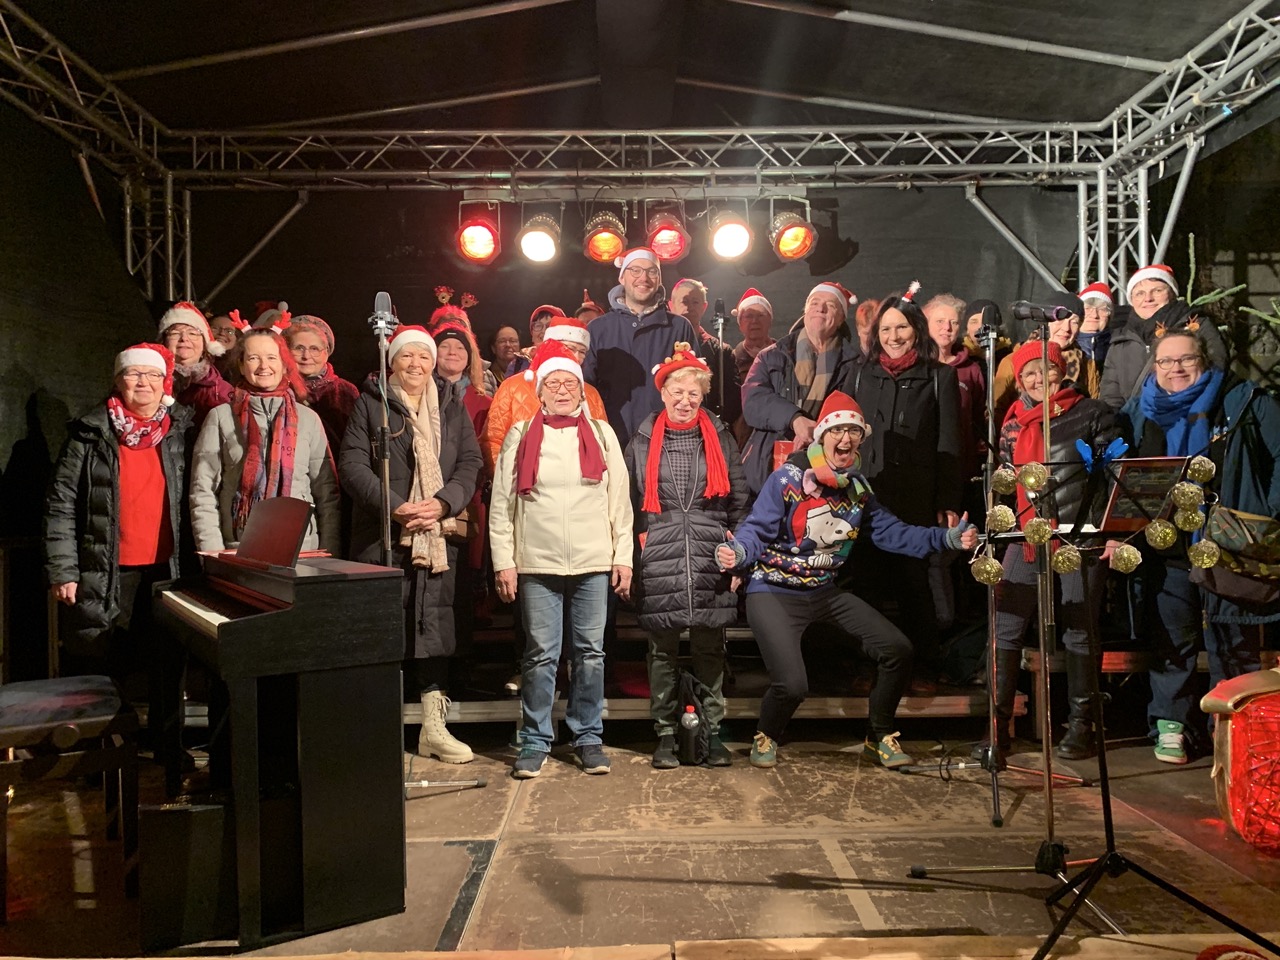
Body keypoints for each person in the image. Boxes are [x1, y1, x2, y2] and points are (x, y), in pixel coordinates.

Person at [716, 392, 978, 769]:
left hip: (822, 592)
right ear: (823, 436)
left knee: (897, 648)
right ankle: (767, 733)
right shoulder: (788, 478)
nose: (845, 438)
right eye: (837, 430)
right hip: (773, 590)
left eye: (853, 432)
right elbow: (756, 529)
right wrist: (739, 552)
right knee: (793, 684)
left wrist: (946, 539)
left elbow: (893, 532)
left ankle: (879, 736)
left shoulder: (858, 490)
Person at [1117, 330, 1280, 764]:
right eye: (1166, 361)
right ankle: (1171, 727)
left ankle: (1237, 732)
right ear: (1154, 367)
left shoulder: (1243, 400)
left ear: (1204, 360)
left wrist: (1270, 514)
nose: (1176, 368)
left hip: (1230, 544)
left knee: (1234, 638)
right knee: (1172, 640)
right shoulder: (1138, 411)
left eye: (1186, 359)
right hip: (1167, 547)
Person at [44, 343, 193, 778]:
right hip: (105, 570)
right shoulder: (89, 433)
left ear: (164, 382)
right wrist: (63, 570)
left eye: (152, 375)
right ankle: (105, 762)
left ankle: (168, 752)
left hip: (168, 571)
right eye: (133, 374)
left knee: (168, 666)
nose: (143, 382)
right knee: (107, 666)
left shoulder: (182, 430)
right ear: (117, 381)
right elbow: (60, 504)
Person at [490, 340, 634, 779]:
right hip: (537, 562)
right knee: (540, 655)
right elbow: (502, 505)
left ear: (581, 389)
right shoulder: (520, 434)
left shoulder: (602, 434)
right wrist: (504, 561)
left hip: (593, 560)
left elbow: (619, 501)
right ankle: (535, 739)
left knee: (590, 654)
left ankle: (588, 737)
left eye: (569, 383)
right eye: (552, 384)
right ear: (540, 392)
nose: (562, 390)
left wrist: (623, 557)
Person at [339, 325, 482, 762]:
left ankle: (433, 729)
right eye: (407, 356)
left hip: (437, 536)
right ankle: (376, 731)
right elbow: (352, 464)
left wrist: (442, 503)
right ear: (392, 361)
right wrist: (396, 507)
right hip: (384, 536)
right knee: (383, 630)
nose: (416, 364)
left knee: (434, 628)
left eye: (424, 356)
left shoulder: (451, 406)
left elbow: (470, 462)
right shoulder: (372, 404)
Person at [981, 340, 1116, 764]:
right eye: (1029, 374)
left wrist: (1111, 532)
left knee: (1079, 627)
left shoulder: (1092, 413)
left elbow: (1113, 475)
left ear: (1062, 372)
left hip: (1079, 535)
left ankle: (1081, 727)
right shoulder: (1012, 421)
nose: (1039, 380)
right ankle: (998, 729)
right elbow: (1006, 483)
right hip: (1026, 535)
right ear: (1020, 380)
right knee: (1005, 623)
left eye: (1047, 370)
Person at [624, 343, 749, 769]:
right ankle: (664, 733)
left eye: (693, 393)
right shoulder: (642, 440)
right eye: (677, 391)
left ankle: (712, 732)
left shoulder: (721, 437)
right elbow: (628, 503)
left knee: (710, 649)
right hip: (660, 553)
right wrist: (633, 554)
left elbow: (740, 500)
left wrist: (739, 554)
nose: (685, 400)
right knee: (661, 651)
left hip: (711, 553)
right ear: (663, 392)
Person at [851, 286, 963, 695]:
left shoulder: (939, 377)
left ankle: (924, 667)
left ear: (916, 329)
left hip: (915, 496)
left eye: (900, 328)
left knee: (914, 586)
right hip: (866, 495)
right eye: (885, 329)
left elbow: (949, 445)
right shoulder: (860, 374)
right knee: (865, 586)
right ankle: (869, 666)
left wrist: (947, 501)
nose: (893, 336)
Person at [189, 328, 339, 554]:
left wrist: (329, 553)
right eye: (253, 358)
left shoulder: (308, 419)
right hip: (240, 548)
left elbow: (326, 492)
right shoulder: (220, 417)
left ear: (284, 364)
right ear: (241, 366)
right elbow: (203, 491)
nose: (263, 366)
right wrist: (212, 553)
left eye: (271, 357)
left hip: (302, 549)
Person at [739, 280, 862, 496]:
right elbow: (753, 401)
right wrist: (795, 419)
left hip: (825, 471)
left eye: (830, 305)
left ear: (841, 317)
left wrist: (819, 432)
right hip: (765, 469)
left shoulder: (855, 365)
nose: (820, 308)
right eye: (814, 303)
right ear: (805, 311)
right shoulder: (771, 355)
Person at [583, 247, 697, 451]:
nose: (643, 278)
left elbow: (695, 387)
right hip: (610, 442)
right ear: (622, 277)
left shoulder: (679, 327)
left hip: (665, 442)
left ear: (659, 279)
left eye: (651, 271)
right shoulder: (598, 329)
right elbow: (586, 390)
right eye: (635, 270)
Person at [923, 292, 986, 633]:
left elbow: (977, 420)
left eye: (953, 322)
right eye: (939, 321)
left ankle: (955, 627)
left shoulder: (972, 370)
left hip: (959, 476)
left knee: (955, 552)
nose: (946, 328)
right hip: (923, 474)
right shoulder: (918, 366)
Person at [1100, 264, 1228, 410]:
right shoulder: (1121, 339)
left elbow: (1216, 371)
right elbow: (1111, 396)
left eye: (1157, 291)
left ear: (1172, 294)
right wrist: (1120, 421)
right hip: (1134, 421)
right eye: (1140, 293)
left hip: (1187, 414)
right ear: (1132, 300)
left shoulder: (1196, 327)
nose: (1148, 298)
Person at [992, 293, 1097, 422]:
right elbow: (996, 410)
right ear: (1046, 321)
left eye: (1074, 322)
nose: (1066, 328)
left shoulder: (1086, 365)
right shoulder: (1013, 361)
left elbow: (1094, 406)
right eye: (1060, 319)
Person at [668, 278, 742, 427]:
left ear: (704, 306)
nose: (689, 307)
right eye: (684, 301)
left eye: (695, 302)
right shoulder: (662, 346)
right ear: (671, 305)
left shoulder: (721, 351)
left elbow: (733, 399)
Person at [285, 314, 360, 455]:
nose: (306, 356)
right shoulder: (281, 390)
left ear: (326, 353)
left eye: (314, 349)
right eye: (299, 348)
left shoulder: (345, 391)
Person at [158, 301, 233, 428]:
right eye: (175, 333)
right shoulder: (149, 381)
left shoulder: (220, 392)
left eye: (192, 333)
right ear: (164, 342)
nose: (184, 338)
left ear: (205, 345)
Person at [507, 304, 564, 379]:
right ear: (532, 333)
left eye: (549, 326)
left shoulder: (571, 361)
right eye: (538, 326)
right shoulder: (517, 364)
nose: (543, 331)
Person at [1077, 282, 1114, 370]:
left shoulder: (1118, 346)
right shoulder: (1065, 343)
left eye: (1102, 309)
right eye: (1087, 308)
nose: (1094, 315)